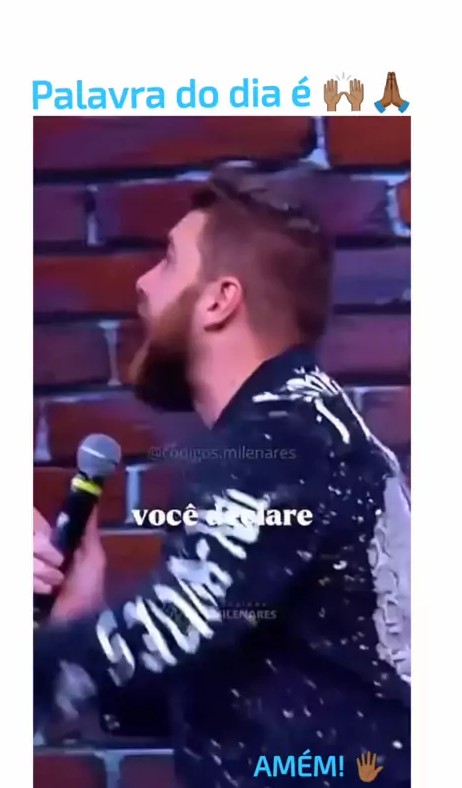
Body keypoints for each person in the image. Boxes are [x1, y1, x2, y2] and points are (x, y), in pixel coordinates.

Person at [33, 166, 411, 787]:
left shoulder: (277, 437)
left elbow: (180, 623)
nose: (142, 283)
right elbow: (228, 689)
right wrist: (83, 617)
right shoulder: (311, 424)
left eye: (168, 261)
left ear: (219, 300)